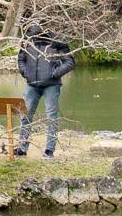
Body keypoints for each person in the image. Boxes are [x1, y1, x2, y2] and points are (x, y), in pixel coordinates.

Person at [13, 29, 76, 157]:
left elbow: (69, 62)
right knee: (24, 115)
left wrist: (54, 74)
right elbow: (21, 58)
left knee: (52, 117)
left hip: (51, 85)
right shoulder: (28, 39)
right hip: (32, 84)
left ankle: (49, 150)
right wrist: (25, 72)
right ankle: (22, 148)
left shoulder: (57, 39)